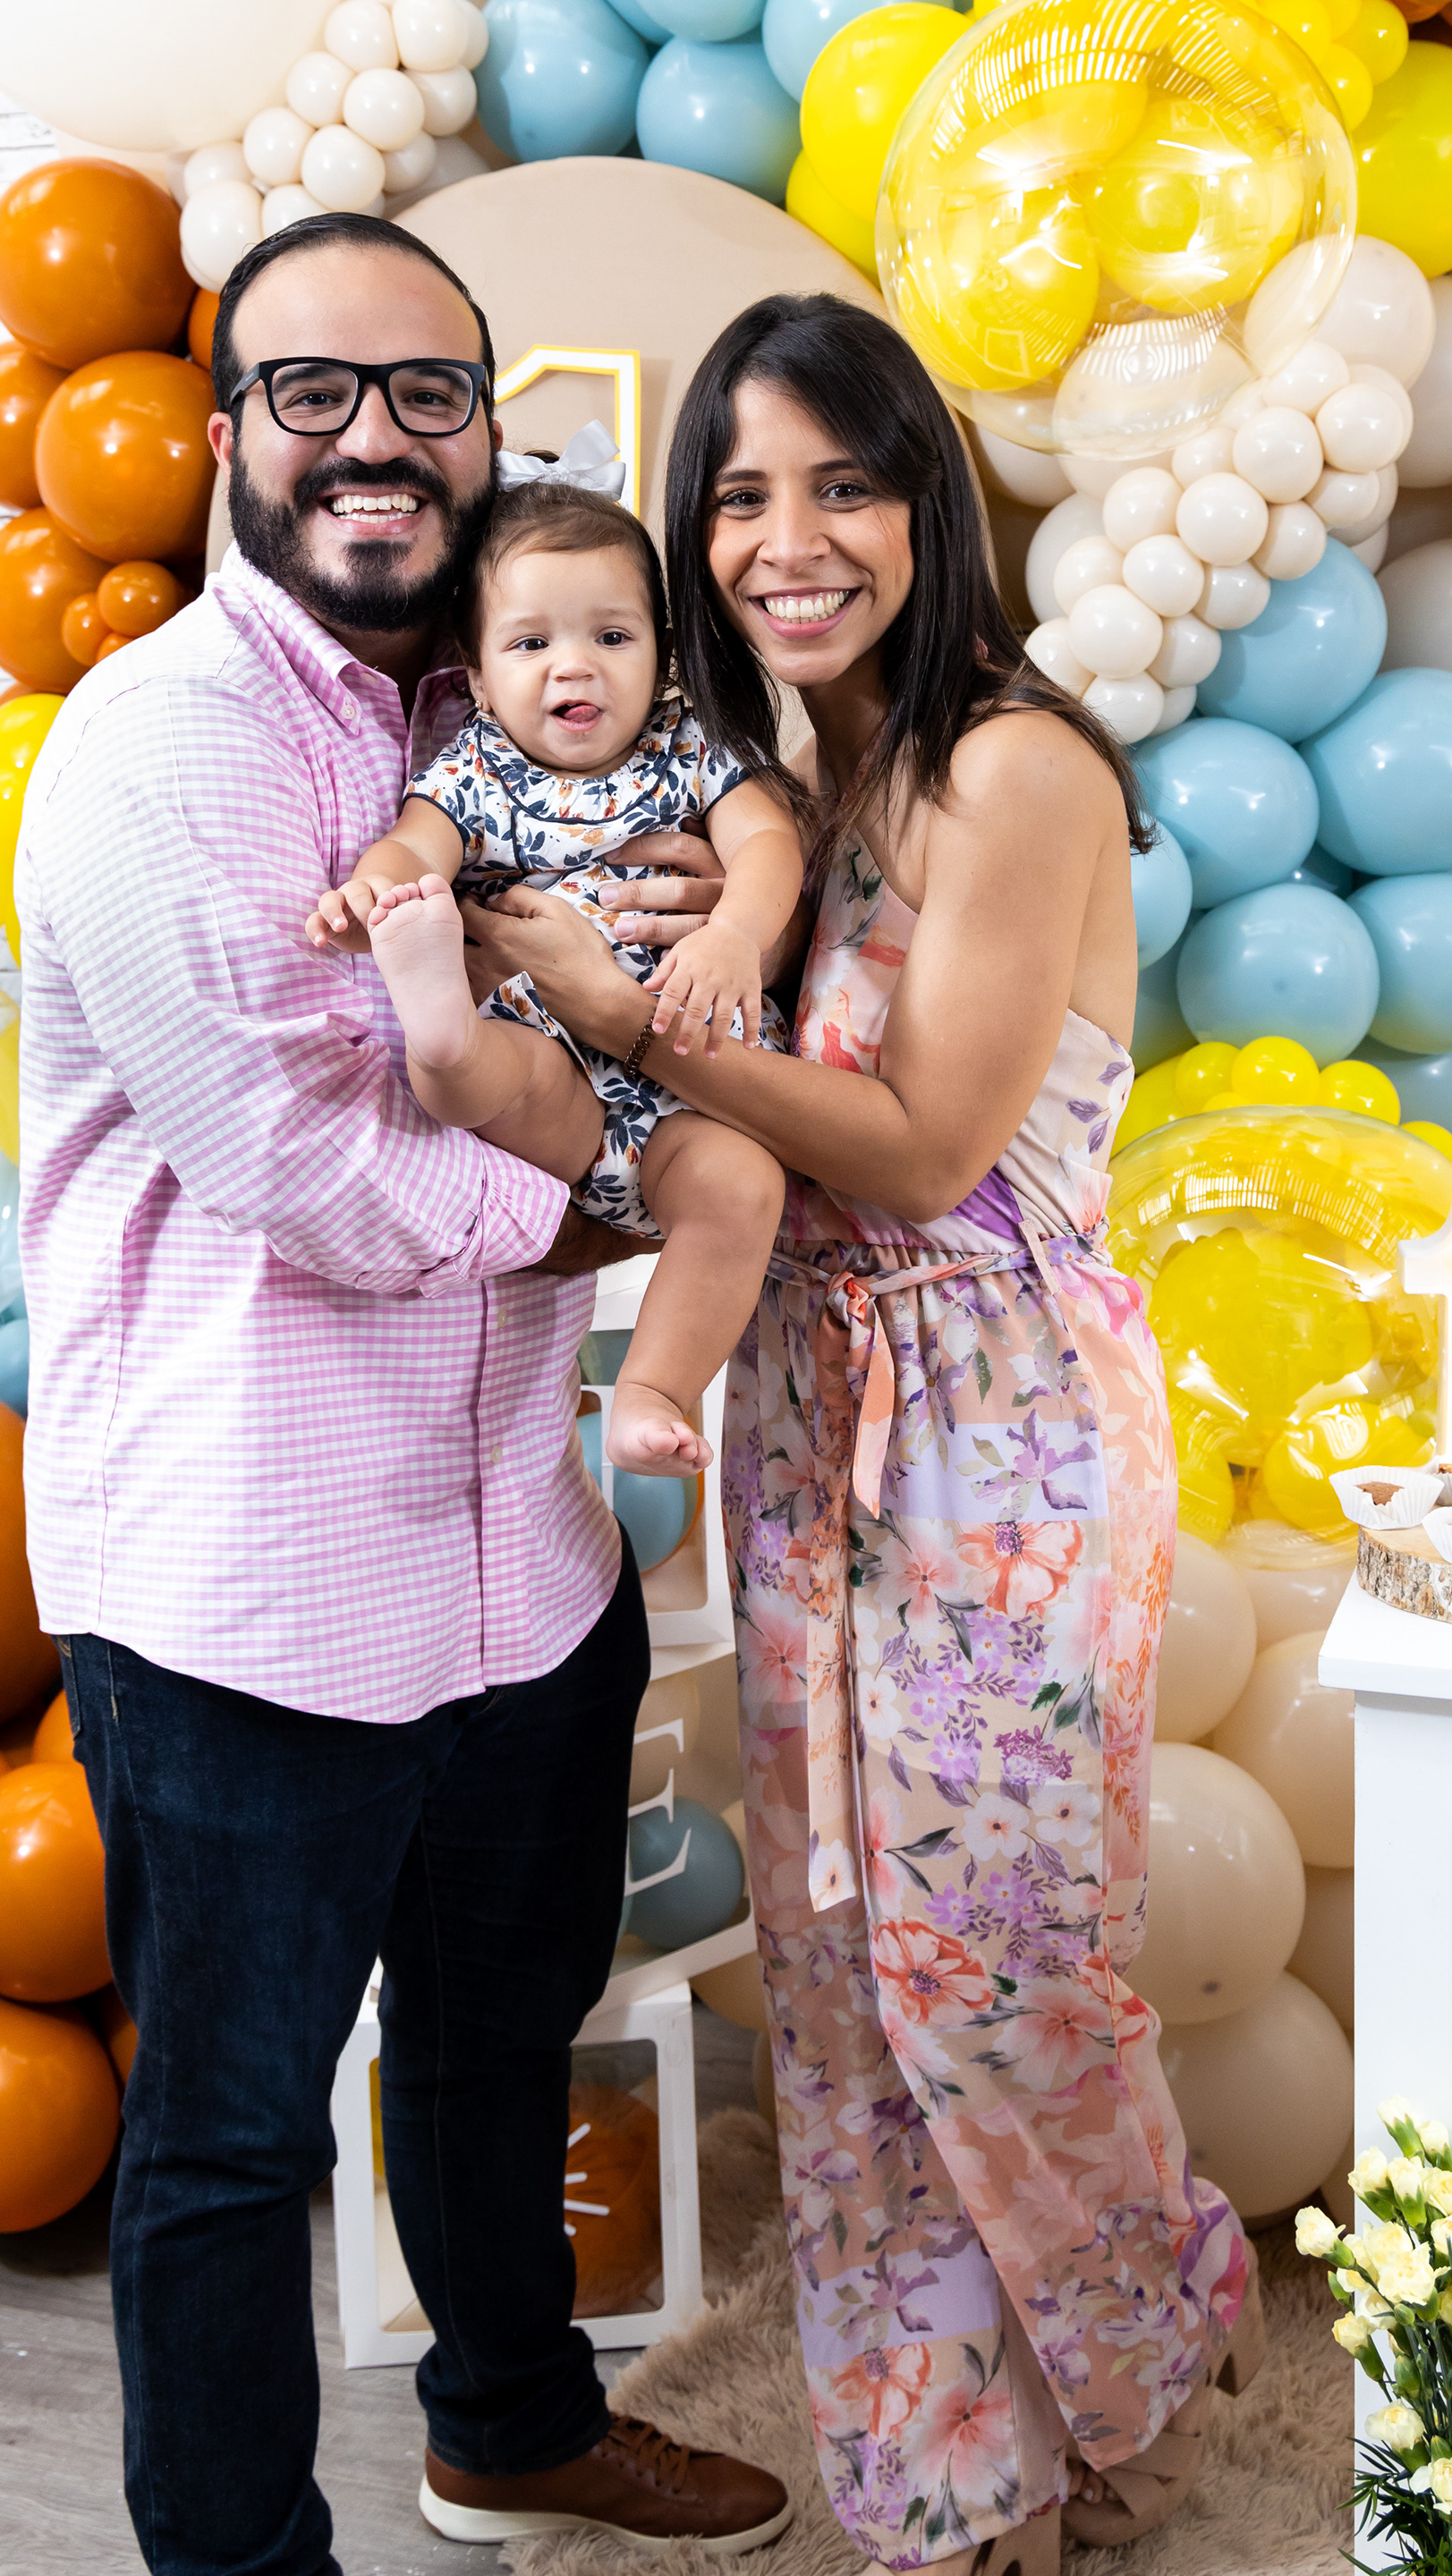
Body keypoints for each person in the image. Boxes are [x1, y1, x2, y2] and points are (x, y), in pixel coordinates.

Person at [456, 292, 1265, 2576]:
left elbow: (919, 1151)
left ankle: (1153, 2329)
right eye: (738, 495)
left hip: (1006, 1422)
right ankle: (946, 2475)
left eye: (841, 483)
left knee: (993, 1960)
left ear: (928, 503)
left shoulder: (1018, 769)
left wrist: (635, 1017)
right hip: (811, 1413)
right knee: (833, 1975)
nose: (786, 539)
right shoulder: (764, 800)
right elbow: (697, 1132)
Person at [13, 211, 790, 2576]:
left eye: (426, 392)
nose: (373, 439)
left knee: (496, 2037)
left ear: (487, 428)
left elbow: (698, 929)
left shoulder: (501, 706)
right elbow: (314, 1176)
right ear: (227, 430)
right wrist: (638, 1200)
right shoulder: (170, 744)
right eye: (312, 391)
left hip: (517, 1558)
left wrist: (686, 956)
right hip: (248, 1581)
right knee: (236, 2135)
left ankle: (513, 2424)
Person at [306, 475, 802, 1479]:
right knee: (498, 1073)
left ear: (660, 654)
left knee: (744, 1189)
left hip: (694, 1092)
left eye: (612, 636)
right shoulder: (474, 768)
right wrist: (374, 894)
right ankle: (439, 1032)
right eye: (531, 643)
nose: (574, 665)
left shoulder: (688, 746)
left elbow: (769, 845)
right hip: (557, 1068)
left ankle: (654, 1391)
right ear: (480, 680)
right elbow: (411, 847)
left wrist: (733, 936)